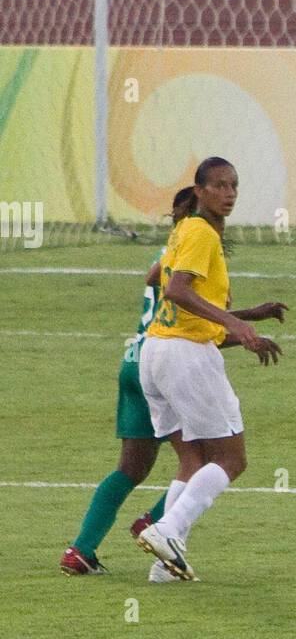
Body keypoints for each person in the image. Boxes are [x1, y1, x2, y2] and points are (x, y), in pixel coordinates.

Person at [137, 157, 283, 579]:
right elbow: (176, 289)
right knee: (232, 459)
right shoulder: (200, 232)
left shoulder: (185, 229)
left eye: (234, 185)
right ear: (199, 191)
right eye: (219, 186)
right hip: (186, 356)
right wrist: (233, 320)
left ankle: (164, 562)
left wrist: (246, 314)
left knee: (195, 460)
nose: (229, 193)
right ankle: (169, 530)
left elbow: (155, 277)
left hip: (156, 352)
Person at [61, 188, 204, 577]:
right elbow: (199, 314)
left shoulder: (165, 252)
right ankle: (155, 525)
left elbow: (155, 278)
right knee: (206, 460)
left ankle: (81, 550)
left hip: (134, 360)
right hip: (165, 362)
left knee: (130, 468)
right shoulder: (195, 251)